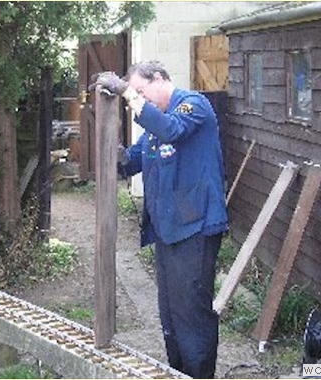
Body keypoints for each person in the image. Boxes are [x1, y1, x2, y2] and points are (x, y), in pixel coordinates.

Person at [89, 60, 228, 379]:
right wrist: (109, 137)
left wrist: (127, 93)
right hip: (168, 231)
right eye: (136, 93)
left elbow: (172, 131)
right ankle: (177, 373)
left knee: (191, 315)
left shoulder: (193, 106)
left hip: (195, 229)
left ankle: (199, 375)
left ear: (161, 79)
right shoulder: (153, 131)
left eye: (141, 90)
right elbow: (131, 162)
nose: (139, 98)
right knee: (170, 316)